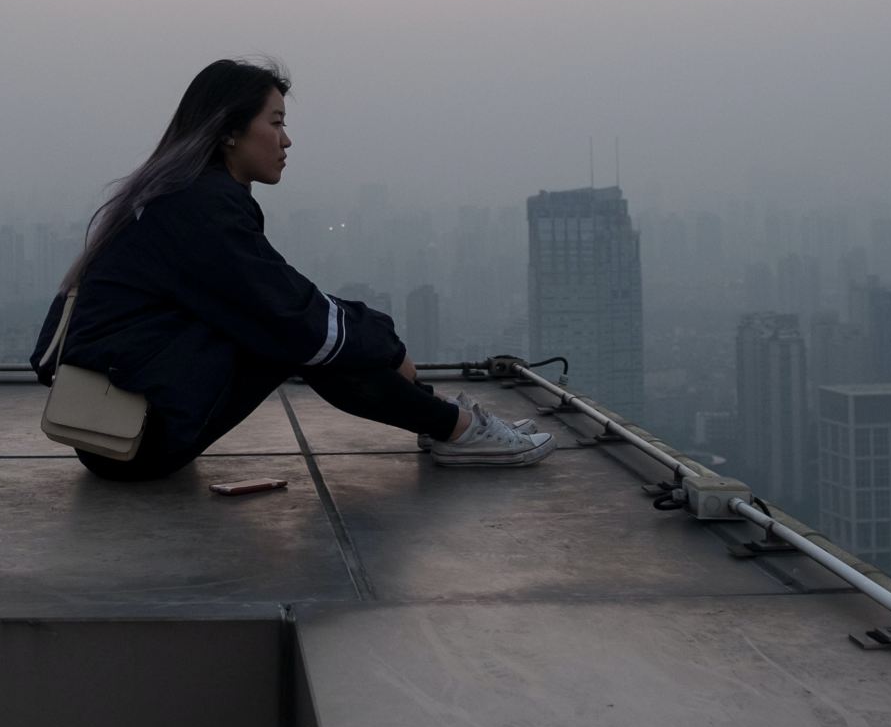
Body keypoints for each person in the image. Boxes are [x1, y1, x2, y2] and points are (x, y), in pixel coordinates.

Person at [30, 57, 555, 480]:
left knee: (294, 329)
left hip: (116, 425)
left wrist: (376, 342)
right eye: (275, 123)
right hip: (138, 437)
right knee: (294, 337)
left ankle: (443, 422)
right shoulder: (199, 207)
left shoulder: (176, 195)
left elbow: (281, 293)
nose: (286, 140)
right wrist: (388, 346)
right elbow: (292, 313)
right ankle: (458, 429)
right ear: (230, 132)